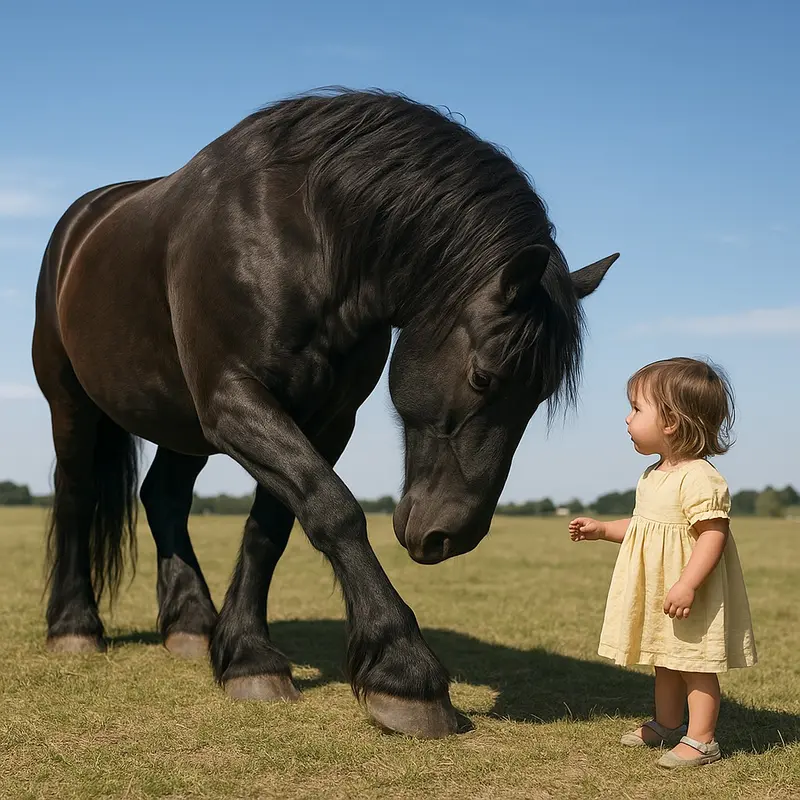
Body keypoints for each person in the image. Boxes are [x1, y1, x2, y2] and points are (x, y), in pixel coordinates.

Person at [569, 357, 757, 769]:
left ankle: (702, 740)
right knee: (665, 658)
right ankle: (668, 723)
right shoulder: (654, 474)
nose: (627, 417)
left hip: (689, 591)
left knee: (695, 664)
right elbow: (645, 527)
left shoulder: (700, 478)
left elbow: (713, 534)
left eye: (636, 408)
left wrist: (688, 583)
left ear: (670, 420)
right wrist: (603, 529)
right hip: (661, 589)